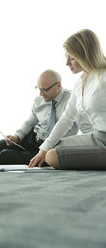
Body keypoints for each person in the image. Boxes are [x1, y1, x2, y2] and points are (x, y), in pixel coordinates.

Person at [29, 29, 106, 169]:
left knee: (52, 156)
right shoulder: (80, 82)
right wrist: (43, 149)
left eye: (71, 58)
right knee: (52, 147)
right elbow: (67, 118)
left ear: (85, 55)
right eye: (66, 57)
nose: (66, 63)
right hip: (96, 137)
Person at [0, 69, 79, 165]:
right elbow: (29, 122)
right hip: (32, 138)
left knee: (4, 157)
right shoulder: (39, 100)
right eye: (39, 89)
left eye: (44, 90)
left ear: (58, 85)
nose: (40, 94)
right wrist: (17, 136)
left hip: (51, 148)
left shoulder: (72, 101)